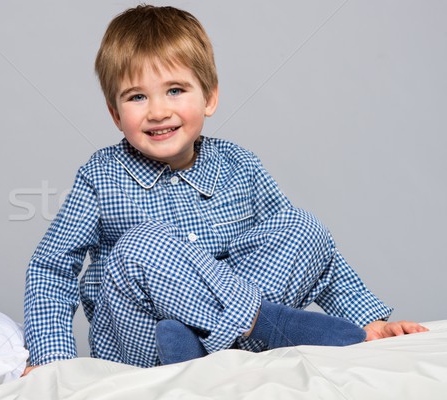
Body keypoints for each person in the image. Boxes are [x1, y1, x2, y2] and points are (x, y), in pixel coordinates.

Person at [23, 5, 426, 374]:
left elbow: (318, 258)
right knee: (140, 244)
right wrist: (52, 362)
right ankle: (263, 321)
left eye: (175, 90)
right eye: (137, 97)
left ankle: (215, 346)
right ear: (115, 114)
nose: (158, 110)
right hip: (146, 345)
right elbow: (50, 269)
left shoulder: (240, 165)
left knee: (302, 227)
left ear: (210, 97)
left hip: (240, 349)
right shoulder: (102, 174)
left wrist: (369, 320)